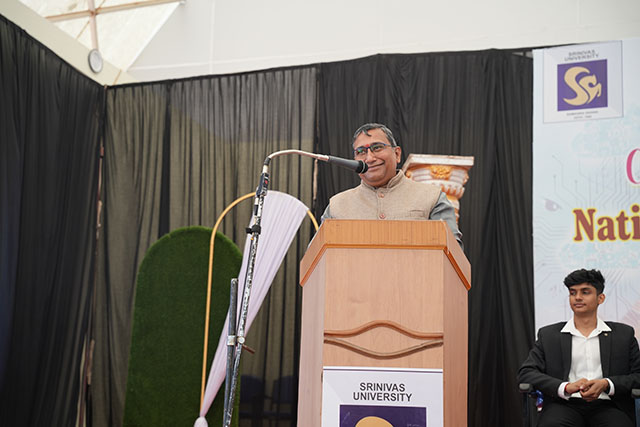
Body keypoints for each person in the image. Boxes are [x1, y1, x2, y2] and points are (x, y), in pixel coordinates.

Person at [518, 269, 640, 427]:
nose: (577, 297)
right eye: (572, 293)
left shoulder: (623, 334)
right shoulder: (548, 335)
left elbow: (637, 375)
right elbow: (526, 373)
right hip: (563, 405)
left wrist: (606, 384)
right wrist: (566, 387)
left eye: (585, 292)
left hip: (609, 405)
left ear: (600, 298)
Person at [321, 123, 462, 246]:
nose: (369, 158)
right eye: (361, 152)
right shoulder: (337, 206)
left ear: (397, 154)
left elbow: (452, 253)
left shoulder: (431, 197)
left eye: (377, 148)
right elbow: (318, 259)